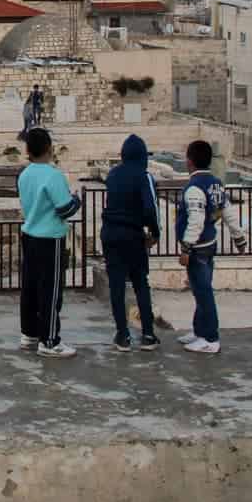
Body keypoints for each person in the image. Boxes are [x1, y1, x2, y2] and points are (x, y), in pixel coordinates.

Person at [174, 140, 243, 354]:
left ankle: (210, 338)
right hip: (209, 244)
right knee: (200, 290)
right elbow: (228, 210)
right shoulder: (215, 183)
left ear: (189, 161)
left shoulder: (194, 188)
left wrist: (186, 248)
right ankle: (199, 331)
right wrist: (239, 237)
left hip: (198, 248)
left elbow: (196, 219)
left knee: (204, 293)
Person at [18, 127, 82, 358]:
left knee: (31, 287)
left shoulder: (24, 175)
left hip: (30, 235)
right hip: (50, 239)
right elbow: (65, 209)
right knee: (51, 290)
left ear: (28, 150)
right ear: (49, 148)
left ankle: (29, 334)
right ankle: (50, 340)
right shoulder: (53, 176)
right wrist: (77, 200)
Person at [100, 134, 161, 352]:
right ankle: (147, 334)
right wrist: (155, 233)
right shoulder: (145, 177)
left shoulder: (113, 175)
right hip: (132, 235)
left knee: (116, 285)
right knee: (140, 284)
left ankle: (122, 335)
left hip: (110, 233)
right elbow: (150, 208)